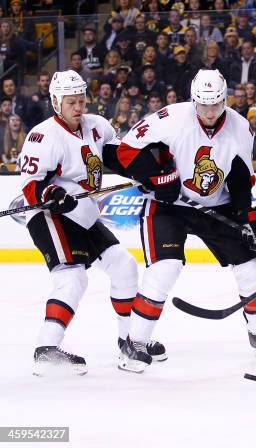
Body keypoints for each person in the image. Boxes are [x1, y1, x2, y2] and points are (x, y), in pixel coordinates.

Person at [116, 69, 256, 372]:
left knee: (251, 267)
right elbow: (127, 151)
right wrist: (158, 177)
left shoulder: (240, 127)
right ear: (193, 100)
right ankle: (134, 343)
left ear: (225, 100)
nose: (209, 112)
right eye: (203, 105)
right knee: (165, 268)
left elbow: (239, 176)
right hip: (168, 205)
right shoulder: (170, 118)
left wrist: (247, 217)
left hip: (215, 204)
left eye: (216, 105)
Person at [19, 70, 156, 376]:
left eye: (81, 100)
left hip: (83, 212)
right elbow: (30, 185)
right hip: (49, 215)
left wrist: (145, 172)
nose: (78, 107)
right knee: (72, 278)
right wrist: (52, 193)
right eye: (71, 102)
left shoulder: (96, 126)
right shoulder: (43, 136)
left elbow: (118, 157)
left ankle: (128, 340)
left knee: (124, 265)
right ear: (56, 102)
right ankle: (46, 349)